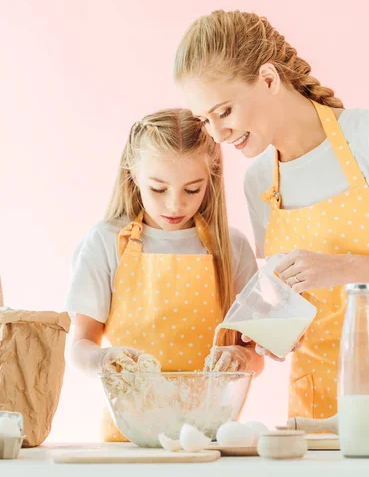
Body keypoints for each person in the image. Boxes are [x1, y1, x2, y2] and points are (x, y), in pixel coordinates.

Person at [174, 9, 369, 419]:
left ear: (269, 79)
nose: (219, 134)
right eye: (206, 120)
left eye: (224, 112)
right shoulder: (260, 181)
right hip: (316, 414)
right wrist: (259, 340)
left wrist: (340, 269)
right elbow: (291, 304)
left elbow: (326, 273)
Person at [67, 108, 262, 440]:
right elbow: (80, 345)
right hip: (127, 439)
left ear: (210, 180)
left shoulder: (232, 247)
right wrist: (104, 360)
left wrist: (241, 357)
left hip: (209, 438)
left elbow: (256, 356)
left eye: (192, 189)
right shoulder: (106, 243)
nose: (175, 205)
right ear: (134, 177)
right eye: (158, 189)